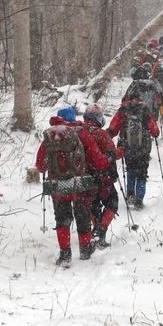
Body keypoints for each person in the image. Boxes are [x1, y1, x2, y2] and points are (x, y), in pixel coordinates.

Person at [35, 106, 112, 267]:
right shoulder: (81, 132)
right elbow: (97, 159)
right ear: (73, 118)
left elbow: (40, 166)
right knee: (82, 216)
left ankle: (65, 254)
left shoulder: (50, 135)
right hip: (79, 184)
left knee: (62, 218)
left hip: (58, 185)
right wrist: (107, 161)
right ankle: (85, 248)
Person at [80, 104, 122, 249]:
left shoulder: (78, 132)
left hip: (84, 176)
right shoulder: (101, 134)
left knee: (93, 206)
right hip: (103, 176)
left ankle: (96, 232)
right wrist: (121, 151)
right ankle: (99, 231)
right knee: (112, 203)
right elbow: (113, 154)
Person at [108, 95, 159, 210]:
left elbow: (113, 129)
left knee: (130, 169)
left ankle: (130, 195)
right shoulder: (145, 109)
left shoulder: (123, 110)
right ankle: (139, 201)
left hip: (127, 147)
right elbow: (155, 131)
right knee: (142, 173)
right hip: (143, 148)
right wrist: (154, 133)